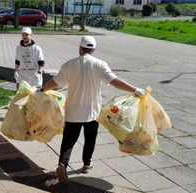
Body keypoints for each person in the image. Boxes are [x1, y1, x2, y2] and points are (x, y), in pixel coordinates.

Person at [40, 36, 145, 184]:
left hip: (72, 112)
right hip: (92, 113)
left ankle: (62, 164)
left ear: (80, 48)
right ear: (94, 50)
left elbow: (54, 83)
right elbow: (114, 82)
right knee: (90, 139)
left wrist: (41, 90)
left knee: (69, 140)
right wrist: (135, 90)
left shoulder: (69, 65)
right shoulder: (100, 65)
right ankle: (86, 163)